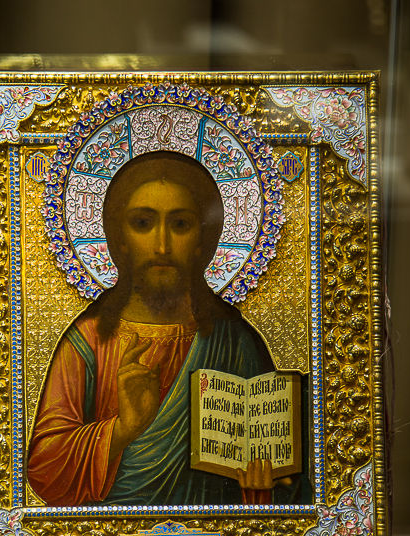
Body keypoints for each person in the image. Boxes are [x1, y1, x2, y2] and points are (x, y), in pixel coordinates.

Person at [27, 151, 279, 507]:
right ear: (120, 238)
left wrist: (264, 482)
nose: (162, 246)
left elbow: (284, 469)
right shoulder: (88, 342)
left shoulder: (234, 342)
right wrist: (122, 429)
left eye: (180, 224)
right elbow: (43, 469)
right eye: (143, 223)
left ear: (203, 240)